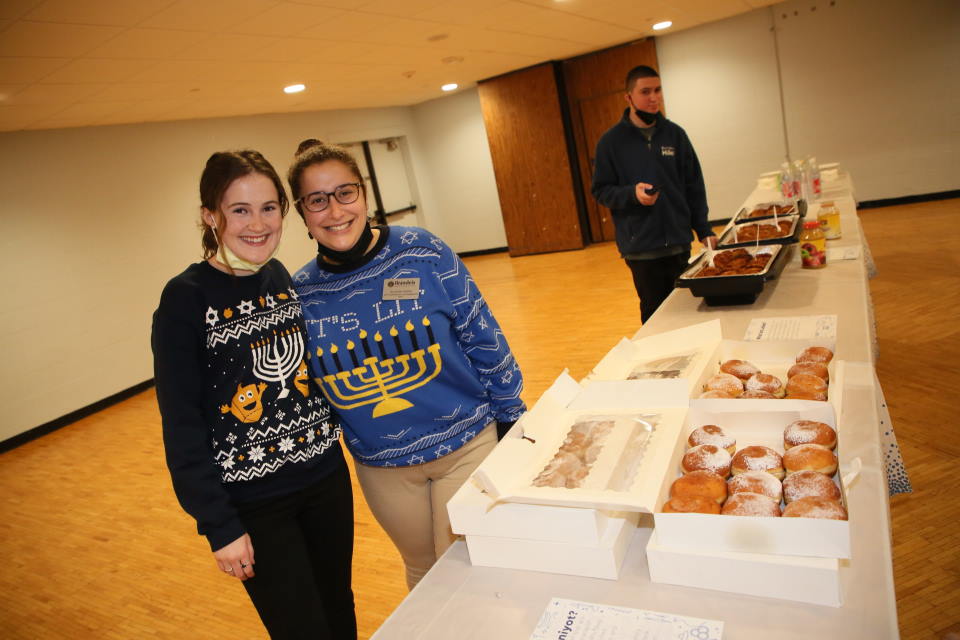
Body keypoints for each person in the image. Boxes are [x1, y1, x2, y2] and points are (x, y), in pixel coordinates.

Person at [287, 139, 526, 590]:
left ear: (364, 194)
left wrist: (512, 412)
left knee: (469, 570)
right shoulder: (301, 294)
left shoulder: (421, 250)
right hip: (383, 467)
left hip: (467, 444)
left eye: (345, 192)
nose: (335, 210)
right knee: (423, 574)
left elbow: (480, 329)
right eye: (317, 200)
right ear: (303, 213)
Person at [152, 150, 356, 640]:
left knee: (338, 607)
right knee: (301, 628)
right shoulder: (185, 299)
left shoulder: (279, 277)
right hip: (257, 504)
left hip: (325, 480)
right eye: (240, 209)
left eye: (269, 207)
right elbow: (182, 425)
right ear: (209, 215)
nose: (258, 223)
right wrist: (218, 525)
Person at [591, 64, 716, 323]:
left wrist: (703, 229)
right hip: (641, 248)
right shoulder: (610, 143)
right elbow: (601, 191)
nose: (654, 97)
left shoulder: (675, 135)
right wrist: (631, 195)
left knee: (688, 312)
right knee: (655, 316)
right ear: (629, 97)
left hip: (679, 244)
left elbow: (693, 184)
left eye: (658, 90)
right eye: (645, 91)